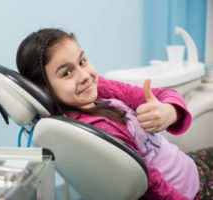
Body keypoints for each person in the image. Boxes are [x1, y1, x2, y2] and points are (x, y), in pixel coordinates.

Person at [16, 28, 213, 200]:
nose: (84, 76)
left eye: (82, 61)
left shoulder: (98, 89)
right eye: (66, 73)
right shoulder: (102, 130)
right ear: (45, 89)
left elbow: (161, 94)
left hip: (189, 167)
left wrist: (170, 111)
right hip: (192, 191)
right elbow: (153, 186)